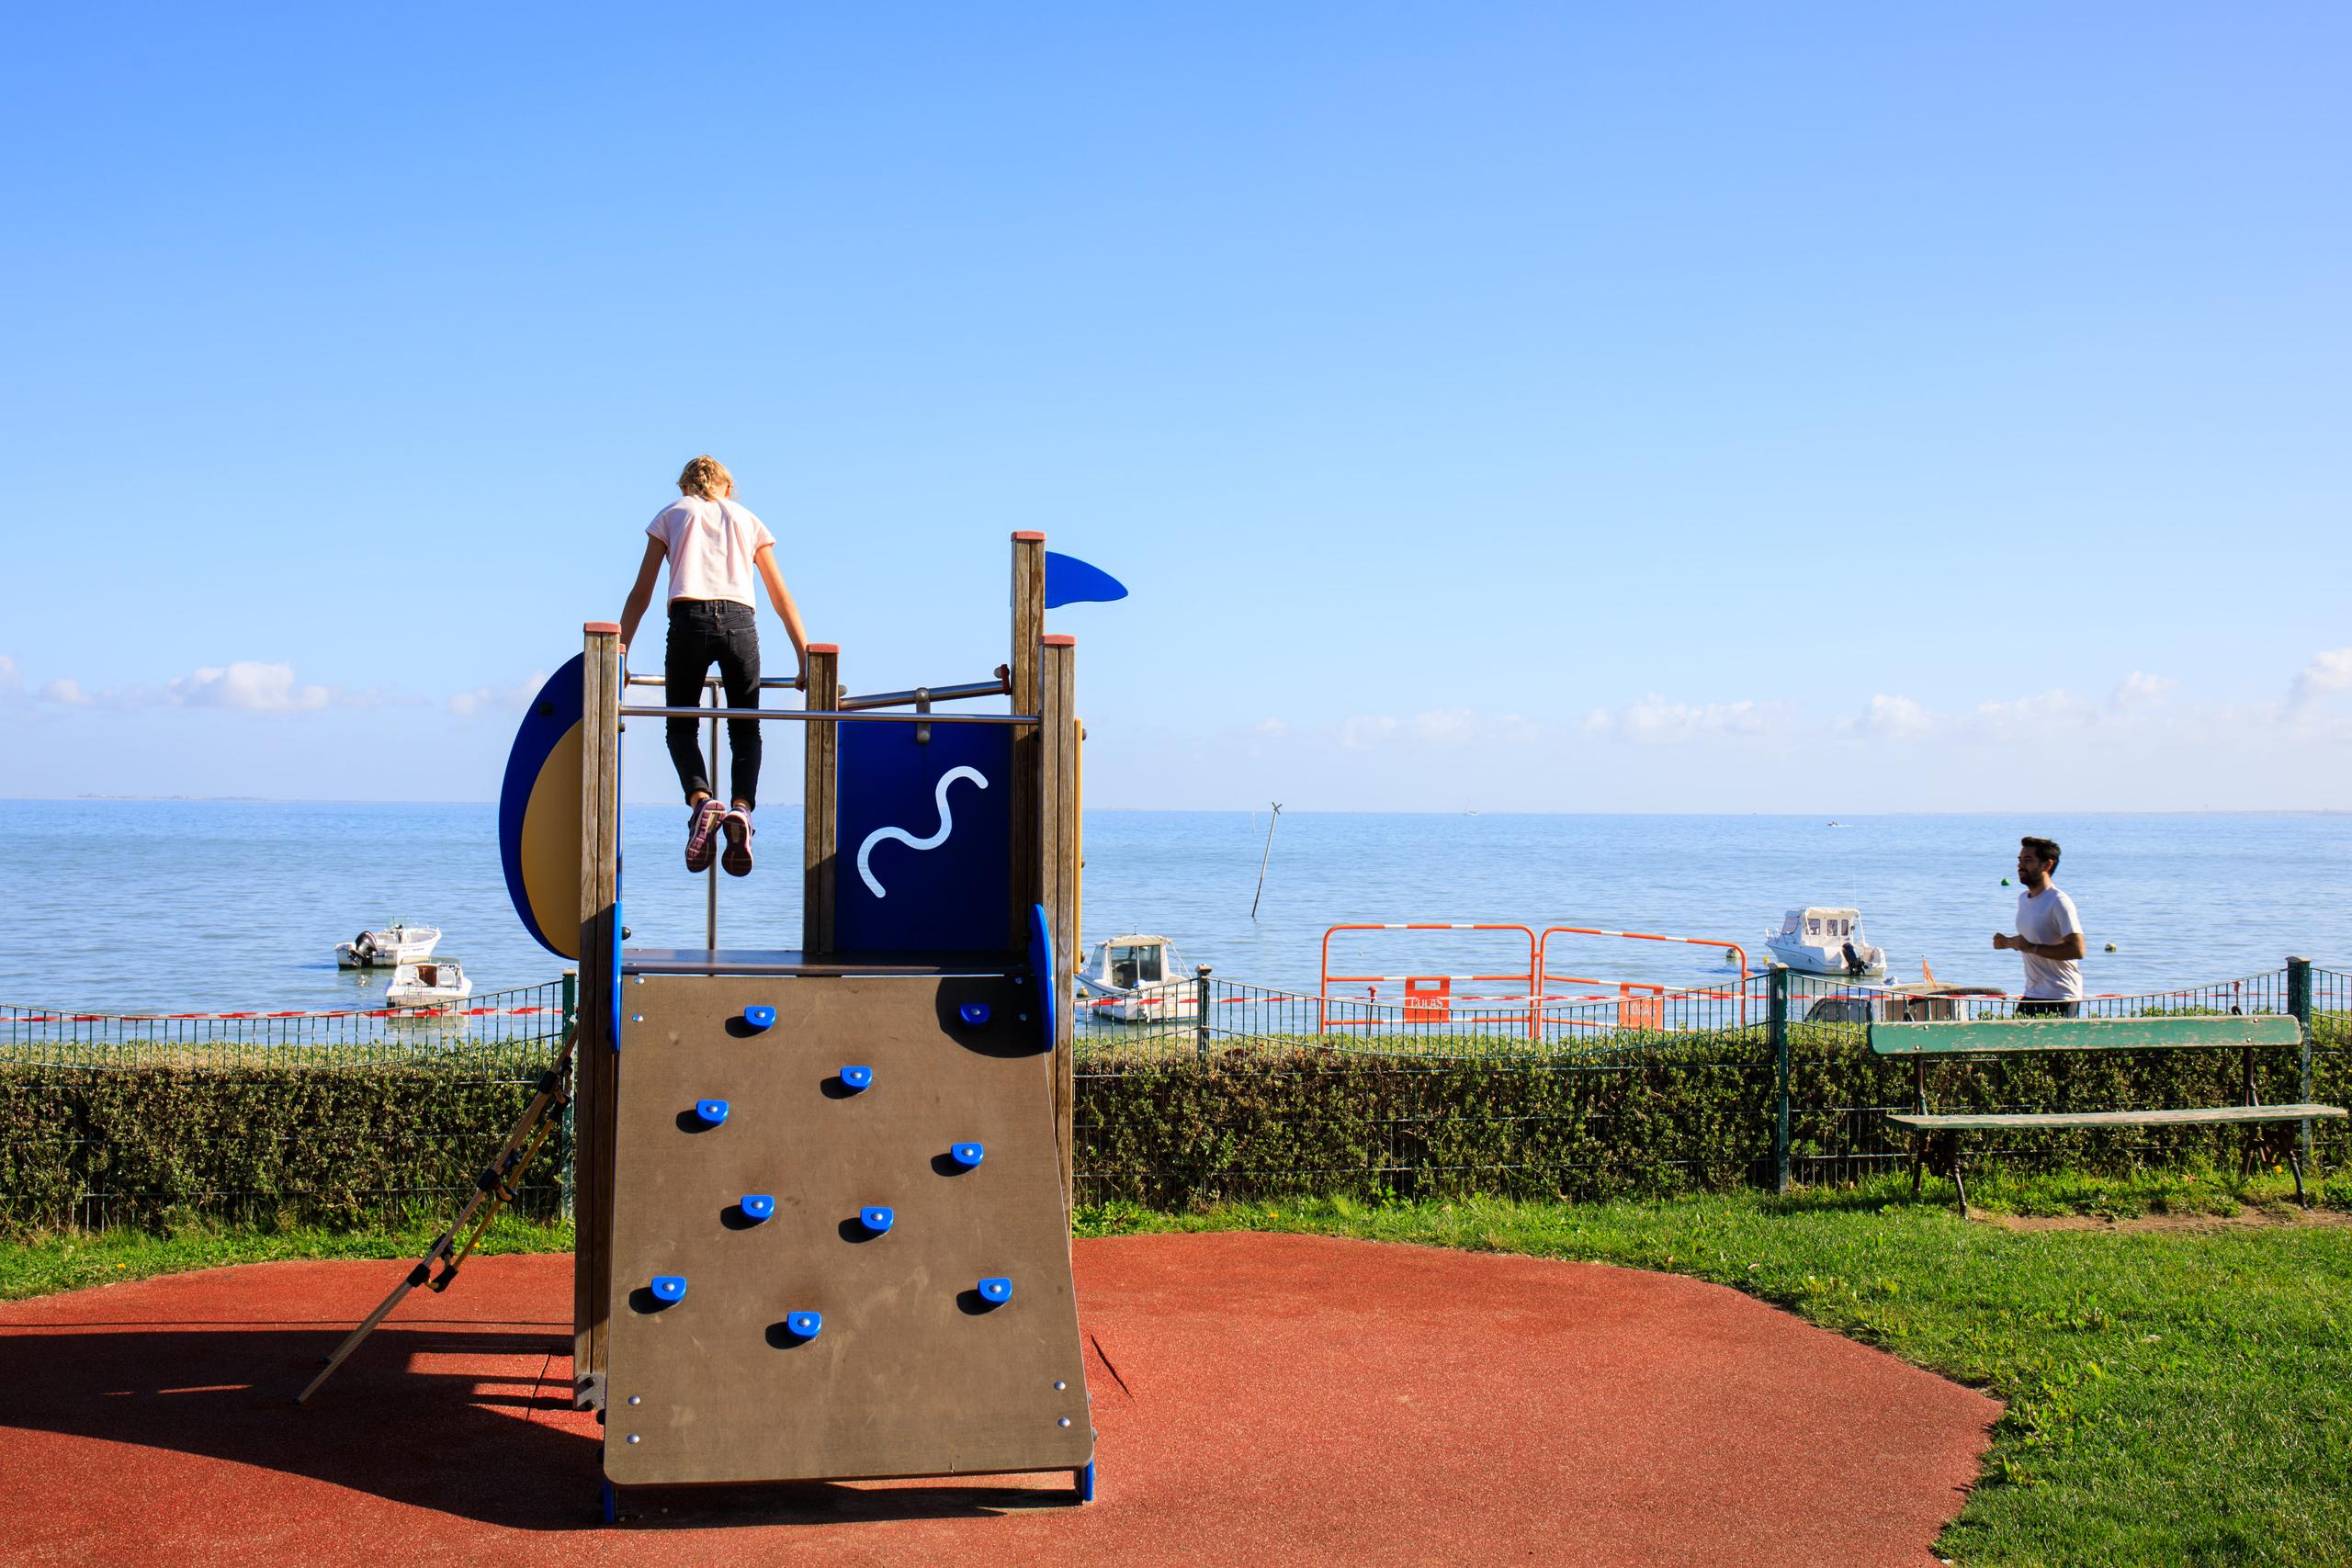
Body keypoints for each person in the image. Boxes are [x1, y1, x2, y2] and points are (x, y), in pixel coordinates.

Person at [617, 456, 809, 875]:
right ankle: (741, 809)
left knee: (681, 725)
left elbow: (641, 593)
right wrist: (804, 657)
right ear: (726, 487)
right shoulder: (747, 519)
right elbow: (782, 599)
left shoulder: (672, 513)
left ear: (686, 486)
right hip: (741, 622)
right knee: (746, 727)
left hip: (688, 621)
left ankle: (702, 801)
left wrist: (620, 654)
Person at [1993, 836, 2085, 1016]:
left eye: (2028, 860)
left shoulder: (2059, 902)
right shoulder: (2023, 899)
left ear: (2047, 865)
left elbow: (2077, 949)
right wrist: (2008, 943)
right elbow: (2028, 942)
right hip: (2032, 994)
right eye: (2019, 860)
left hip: (2060, 997)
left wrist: (2032, 948)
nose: (2020, 866)